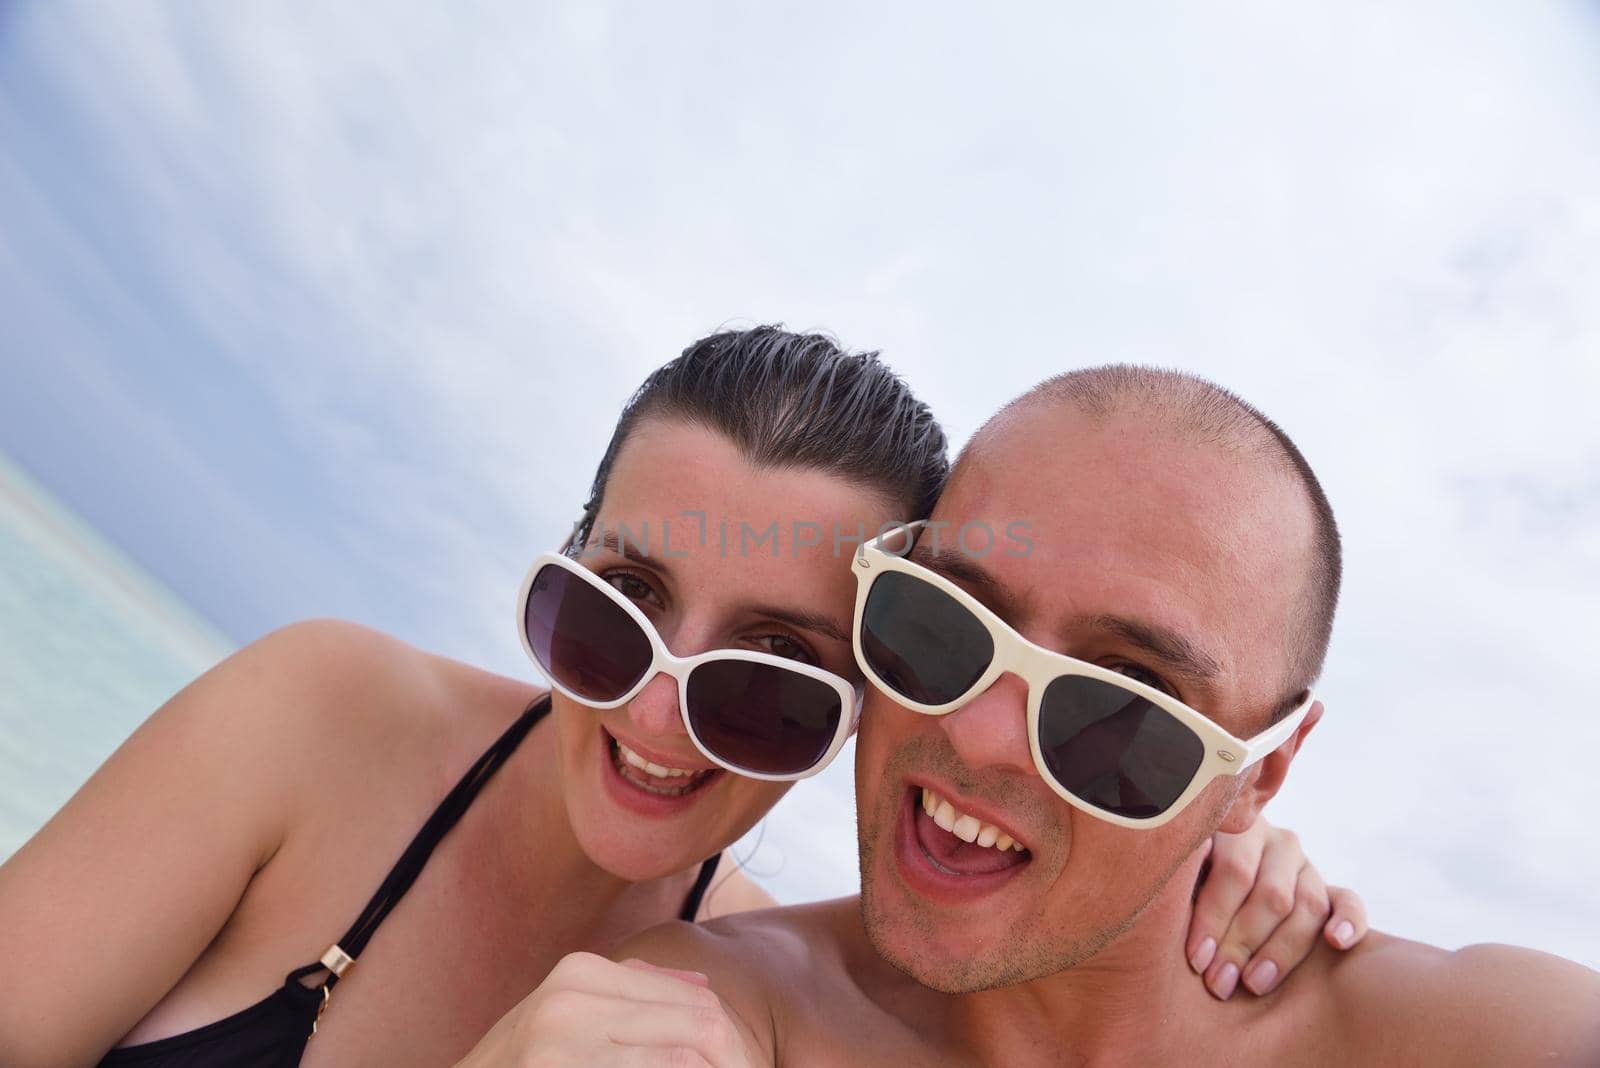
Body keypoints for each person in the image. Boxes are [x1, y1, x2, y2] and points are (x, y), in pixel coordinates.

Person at [0, 333, 1363, 1068]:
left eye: (769, 677)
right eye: (613, 613)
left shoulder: (755, 1006)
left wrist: (1209, 829)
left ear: (890, 683)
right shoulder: (321, 719)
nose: (656, 716)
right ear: (570, 552)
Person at [472, 365, 1600, 1067]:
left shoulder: (1492, 1038)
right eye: (942, 627)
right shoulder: (723, 1010)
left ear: (1257, 775)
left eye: (1124, 706)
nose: (975, 734)